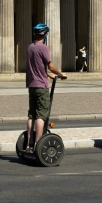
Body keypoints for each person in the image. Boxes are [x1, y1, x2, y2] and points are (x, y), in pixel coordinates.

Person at [25, 23, 66, 152]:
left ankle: (28, 143)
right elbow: (50, 65)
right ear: (44, 35)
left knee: (31, 115)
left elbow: (36, 67)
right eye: (47, 34)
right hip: (41, 87)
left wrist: (49, 75)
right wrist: (60, 74)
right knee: (41, 115)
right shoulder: (43, 48)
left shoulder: (30, 47)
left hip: (32, 85)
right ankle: (38, 144)